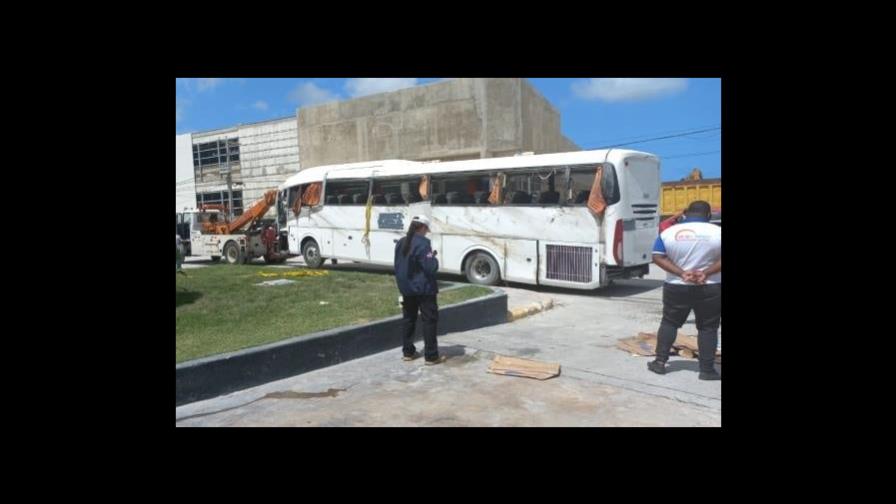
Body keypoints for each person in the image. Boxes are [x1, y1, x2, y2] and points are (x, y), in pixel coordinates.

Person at [648, 200, 722, 380]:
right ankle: (706, 370)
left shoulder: (669, 232)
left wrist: (682, 273)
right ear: (708, 216)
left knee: (669, 323)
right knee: (708, 328)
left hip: (676, 286)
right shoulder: (718, 232)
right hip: (710, 287)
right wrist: (705, 273)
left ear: (686, 214)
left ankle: (659, 363)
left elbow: (657, 257)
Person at [394, 215, 446, 365]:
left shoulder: (401, 242)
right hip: (424, 289)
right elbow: (431, 267)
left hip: (407, 289)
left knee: (409, 319)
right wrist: (434, 258)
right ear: (422, 227)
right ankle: (431, 356)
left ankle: (408, 352)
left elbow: (398, 266)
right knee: (429, 321)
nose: (426, 233)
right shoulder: (424, 244)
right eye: (426, 229)